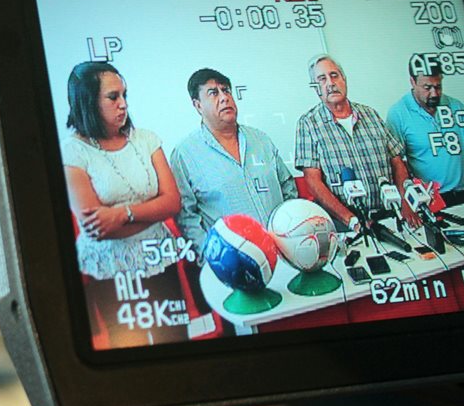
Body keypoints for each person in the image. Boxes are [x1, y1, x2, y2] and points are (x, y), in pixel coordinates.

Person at [60, 61, 181, 278]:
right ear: (88, 102)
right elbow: (99, 230)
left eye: (125, 95)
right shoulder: (73, 151)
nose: (123, 104)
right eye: (113, 97)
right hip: (109, 269)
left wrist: (121, 214)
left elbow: (172, 203)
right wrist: (154, 210)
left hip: (159, 254)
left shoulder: (146, 138)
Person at [171, 68, 297, 252]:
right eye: (213, 93)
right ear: (198, 106)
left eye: (226, 90)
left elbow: (288, 188)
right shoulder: (185, 154)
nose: (224, 97)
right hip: (234, 265)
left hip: (284, 252)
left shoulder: (260, 140)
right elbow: (187, 218)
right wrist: (211, 257)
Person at [294, 53, 419, 231]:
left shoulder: (371, 115)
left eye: (334, 75)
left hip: (389, 215)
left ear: (344, 79)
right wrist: (351, 220)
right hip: (347, 224)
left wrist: (406, 202)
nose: (330, 83)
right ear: (316, 89)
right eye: (322, 79)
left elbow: (397, 163)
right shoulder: (308, 124)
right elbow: (313, 182)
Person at [386, 56, 464, 207]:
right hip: (430, 201)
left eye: (438, 86)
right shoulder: (398, 113)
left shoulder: (456, 105)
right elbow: (397, 163)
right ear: (412, 82)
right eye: (427, 88)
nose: (434, 94)